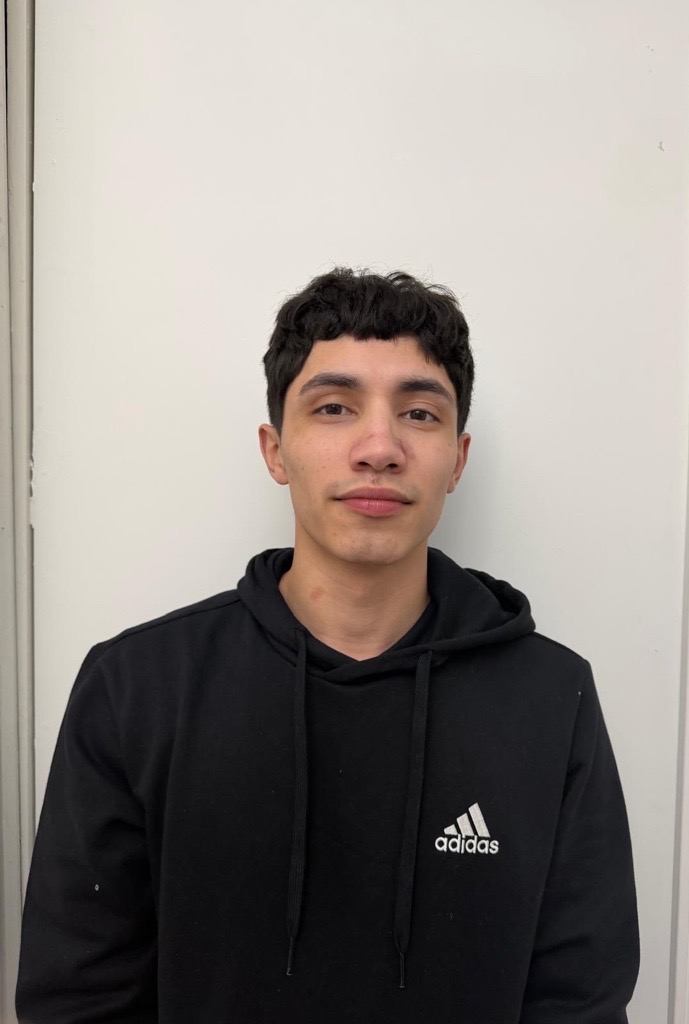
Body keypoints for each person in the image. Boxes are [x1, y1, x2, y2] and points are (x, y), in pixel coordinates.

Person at [16, 267, 640, 1023]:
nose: (379, 448)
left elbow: (579, 1001)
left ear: (458, 459)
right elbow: (78, 999)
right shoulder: (137, 689)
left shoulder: (551, 698)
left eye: (419, 413)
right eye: (335, 407)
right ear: (275, 450)